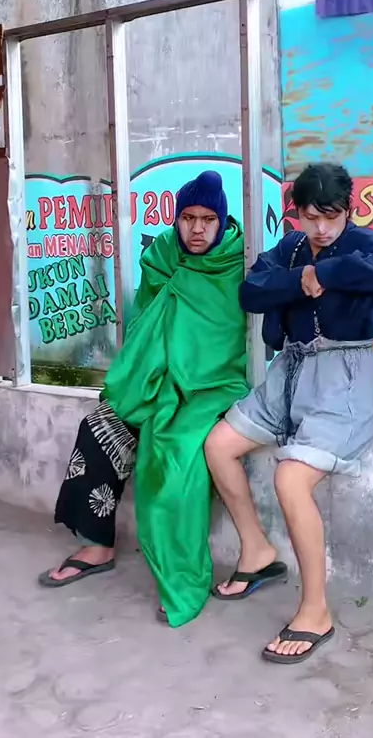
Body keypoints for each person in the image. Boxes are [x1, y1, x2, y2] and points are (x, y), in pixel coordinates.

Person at [205, 163, 373, 664]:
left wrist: (330, 273)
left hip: (345, 381)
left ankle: (315, 611)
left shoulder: (364, 244)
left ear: (348, 211)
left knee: (291, 478)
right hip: (289, 374)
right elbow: (251, 291)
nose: (321, 228)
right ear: (295, 213)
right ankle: (257, 551)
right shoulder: (291, 249)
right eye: (310, 216)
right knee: (218, 445)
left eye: (331, 216)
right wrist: (301, 279)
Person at [39, 170, 268, 627]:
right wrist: (155, 381)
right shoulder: (162, 256)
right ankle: (97, 543)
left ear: (222, 221)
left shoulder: (238, 262)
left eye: (208, 219)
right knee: (100, 427)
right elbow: (146, 325)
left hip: (212, 387)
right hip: (156, 380)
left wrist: (187, 380)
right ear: (176, 219)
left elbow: (229, 340)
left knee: (176, 456)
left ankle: (180, 574)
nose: (197, 229)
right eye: (188, 218)